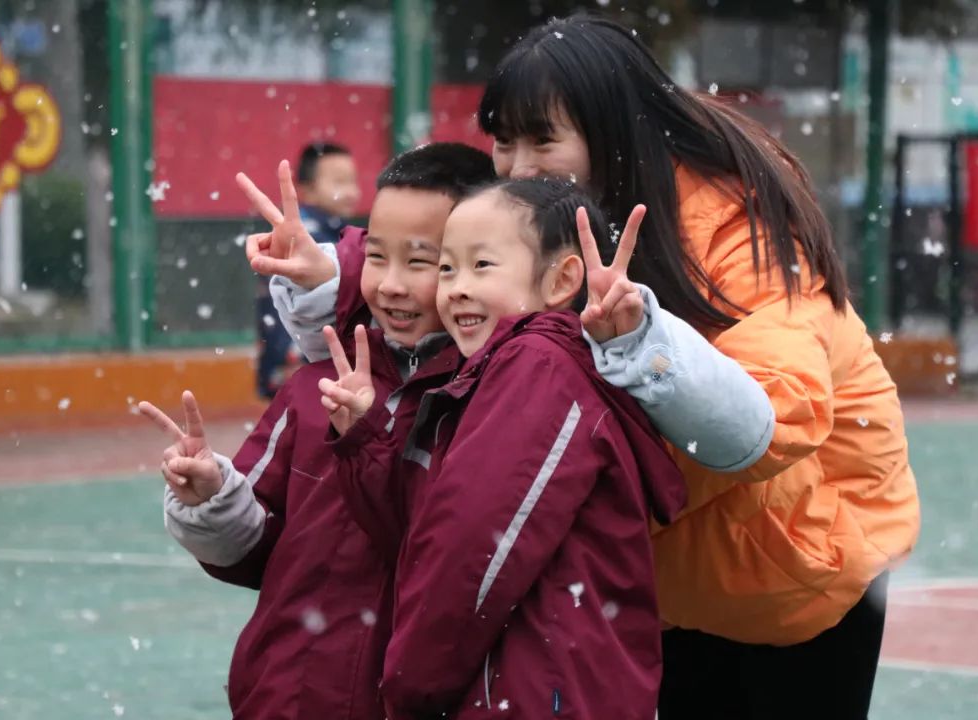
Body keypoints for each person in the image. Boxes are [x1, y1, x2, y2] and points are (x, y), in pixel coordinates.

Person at [272, 13, 920, 719]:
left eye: (543, 140)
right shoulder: (549, 217)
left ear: (613, 131)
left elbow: (774, 420)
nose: (518, 166)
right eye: (504, 141)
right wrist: (336, 275)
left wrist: (637, 363)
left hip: (799, 563)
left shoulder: (739, 231)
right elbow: (446, 246)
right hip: (668, 576)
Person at [139, 142, 496, 720]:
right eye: (376, 258)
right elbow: (257, 548)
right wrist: (212, 498)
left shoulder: (487, 401)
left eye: (421, 262)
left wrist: (369, 438)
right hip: (284, 695)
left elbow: (451, 556)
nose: (391, 285)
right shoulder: (315, 387)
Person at [320, 177, 686, 719]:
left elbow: (473, 551)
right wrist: (366, 440)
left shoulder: (537, 366)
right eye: (447, 268)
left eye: (481, 266)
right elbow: (418, 532)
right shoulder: (492, 374)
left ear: (561, 280)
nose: (457, 288)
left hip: (534, 698)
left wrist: (409, 687)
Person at [255, 142, 360, 398]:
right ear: (307, 189)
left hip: (299, 358)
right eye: (339, 182)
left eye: (352, 181)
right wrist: (290, 356)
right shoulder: (308, 237)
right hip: (302, 360)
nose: (352, 191)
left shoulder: (335, 232)